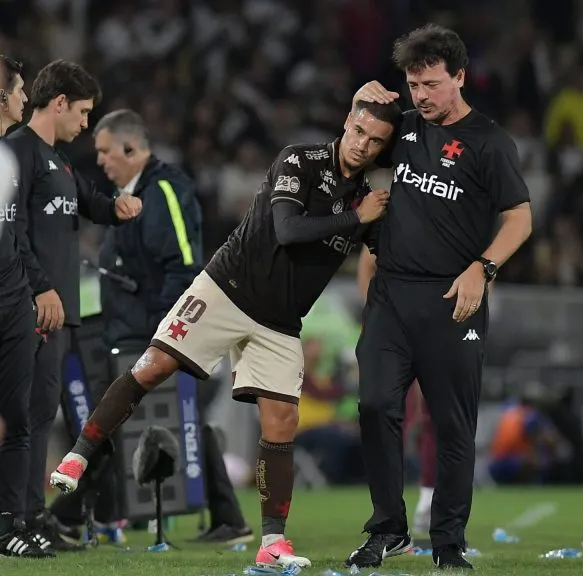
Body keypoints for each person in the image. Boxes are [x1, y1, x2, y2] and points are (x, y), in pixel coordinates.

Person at [50, 99, 401, 570]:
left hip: (280, 321)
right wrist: (358, 220)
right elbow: (288, 229)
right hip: (226, 288)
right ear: (347, 123)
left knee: (281, 422)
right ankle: (79, 455)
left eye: (377, 140)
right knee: (153, 365)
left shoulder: (367, 198)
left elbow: (385, 253)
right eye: (360, 131)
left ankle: (272, 542)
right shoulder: (301, 159)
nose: (363, 144)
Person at [346, 24, 533, 571]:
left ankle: (447, 542)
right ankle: (388, 529)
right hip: (391, 296)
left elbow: (520, 219)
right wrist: (364, 99)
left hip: (455, 299)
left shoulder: (491, 143)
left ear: (459, 77)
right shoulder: (401, 128)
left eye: (430, 83)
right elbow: (352, 146)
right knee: (375, 405)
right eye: (412, 84)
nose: (420, 95)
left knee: (453, 426)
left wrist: (484, 268)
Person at [6, 58, 143, 555]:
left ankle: (30, 516)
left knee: (41, 417)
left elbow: (92, 203)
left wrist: (119, 208)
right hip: (29, 306)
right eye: (83, 112)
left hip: (57, 312)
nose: (86, 124)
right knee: (21, 417)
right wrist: (40, 287)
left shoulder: (59, 161)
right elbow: (11, 231)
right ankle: (12, 521)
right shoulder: (15, 153)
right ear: (59, 102)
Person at [0, 53, 53, 559]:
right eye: (18, 89)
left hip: (14, 302)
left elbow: (14, 235)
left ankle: (10, 523)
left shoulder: (10, 159)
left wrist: (32, 291)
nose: (24, 98)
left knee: (18, 414)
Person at [357, 246, 436, 537]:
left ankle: (428, 496)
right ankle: (390, 508)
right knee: (383, 408)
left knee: (435, 414)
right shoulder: (394, 206)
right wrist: (374, 312)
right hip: (392, 328)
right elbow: (367, 260)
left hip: (437, 322)